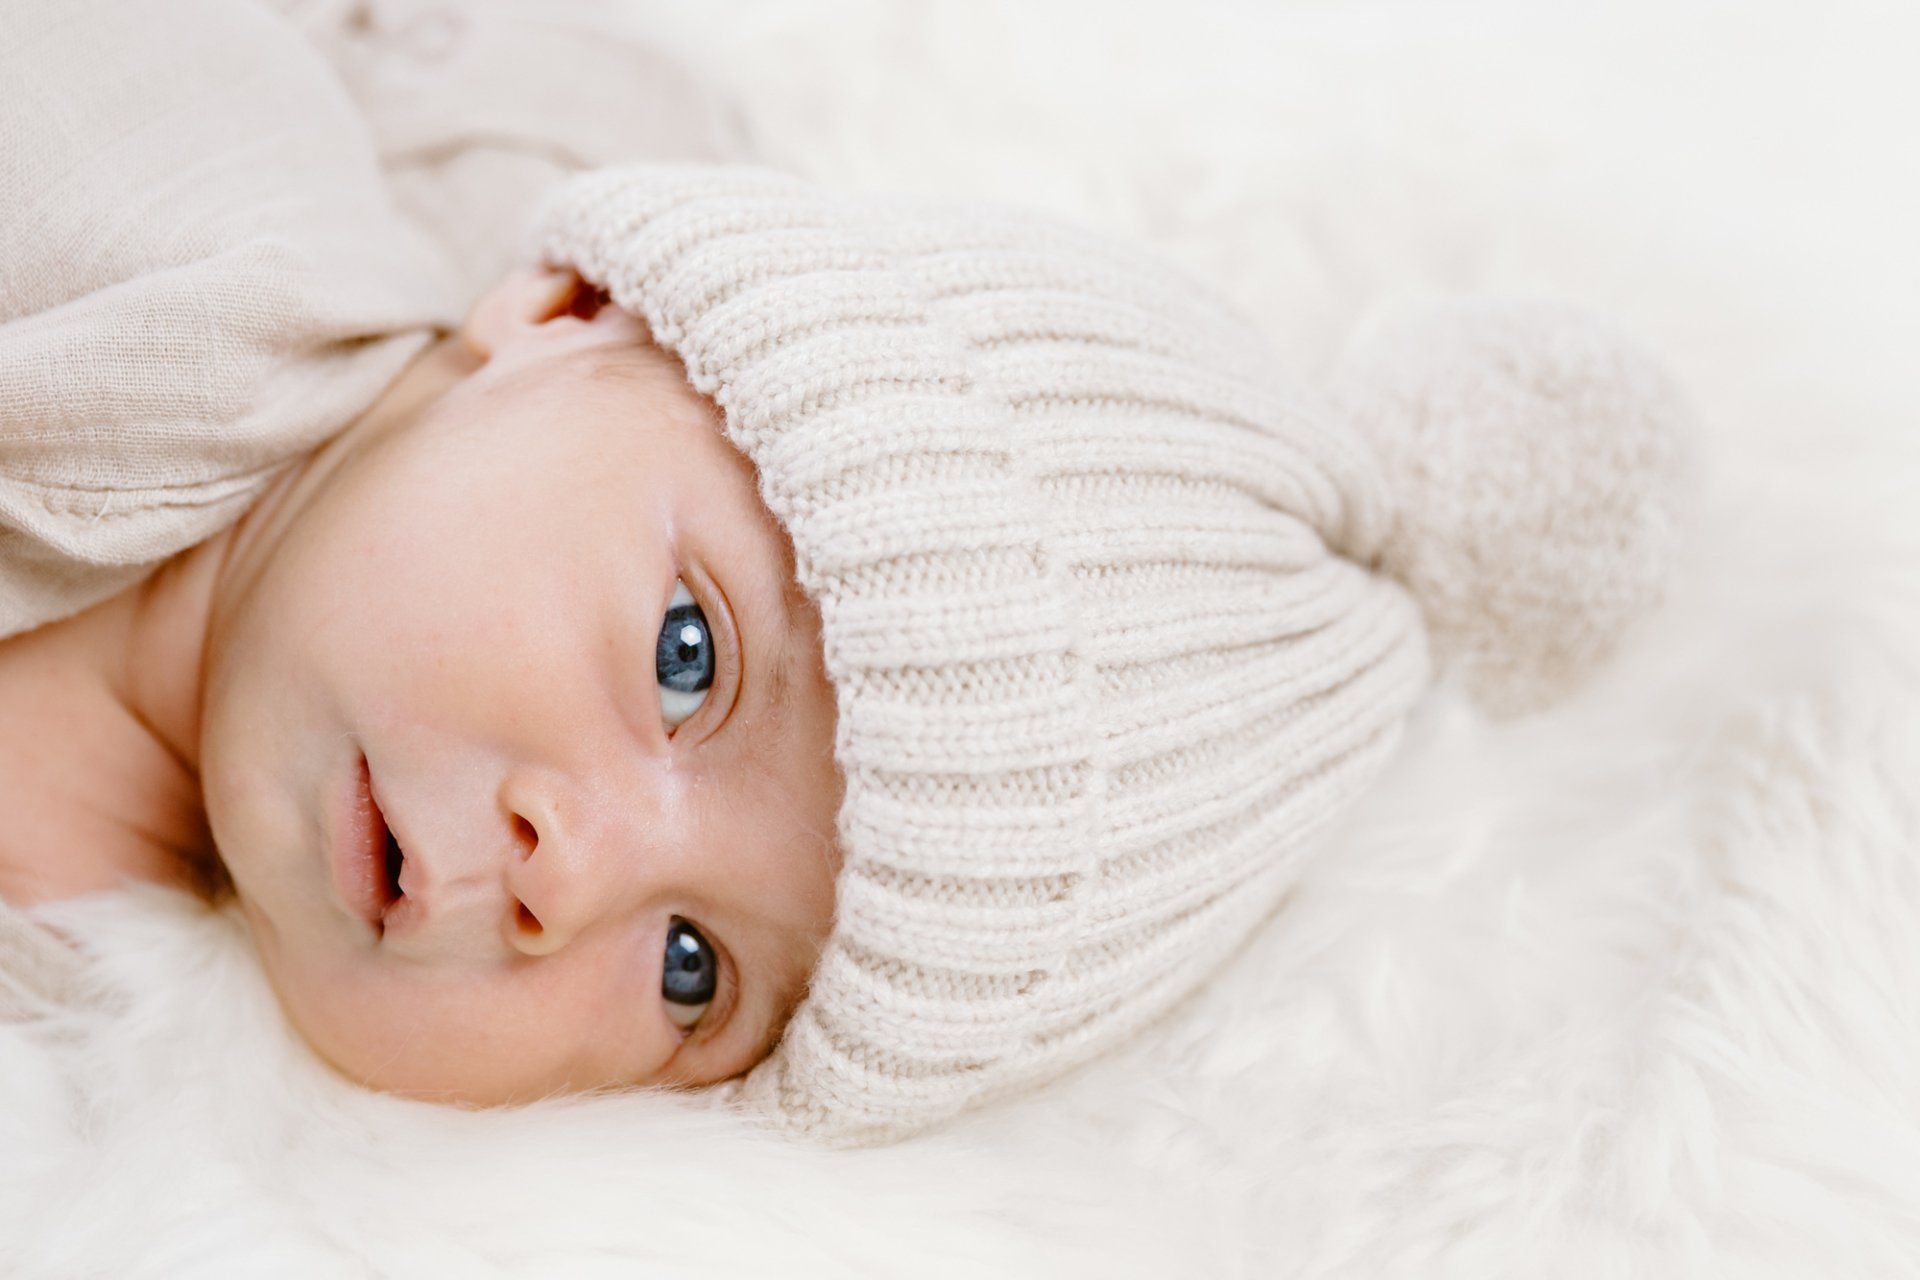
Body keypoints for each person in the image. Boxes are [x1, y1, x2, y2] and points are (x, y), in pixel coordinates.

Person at [1, 6, 1701, 1148]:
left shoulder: (106, 1068)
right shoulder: (148, 202)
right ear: (554, 313)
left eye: (694, 976)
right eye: (689, 656)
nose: (565, 880)